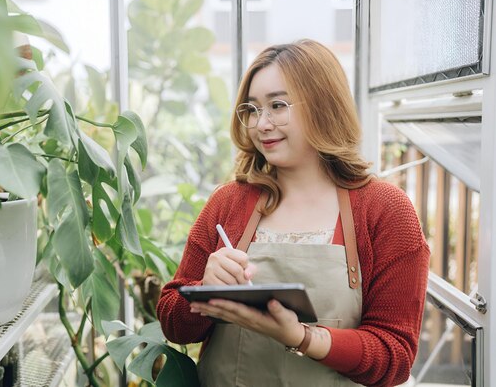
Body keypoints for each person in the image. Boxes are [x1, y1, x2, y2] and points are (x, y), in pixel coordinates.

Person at [156, 39, 430, 387]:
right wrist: (204, 289)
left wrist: (301, 337)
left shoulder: (386, 211)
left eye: (277, 105)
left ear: (323, 106)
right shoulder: (228, 203)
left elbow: (395, 357)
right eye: (252, 109)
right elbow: (172, 322)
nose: (262, 124)